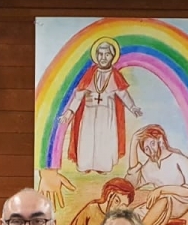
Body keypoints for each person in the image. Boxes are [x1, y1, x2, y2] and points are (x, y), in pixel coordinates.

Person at [61, 38, 143, 174]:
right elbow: (78, 96)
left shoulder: (115, 75)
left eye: (107, 54)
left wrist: (133, 108)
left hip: (107, 115)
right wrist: (68, 113)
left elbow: (123, 95)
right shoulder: (89, 74)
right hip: (89, 113)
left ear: (112, 56)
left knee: (104, 139)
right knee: (87, 139)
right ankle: (85, 165)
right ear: (96, 56)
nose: (103, 57)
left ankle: (103, 167)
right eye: (100, 54)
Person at [127, 125, 188, 225]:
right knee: (134, 214)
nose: (150, 150)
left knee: (164, 200)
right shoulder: (150, 165)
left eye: (152, 144)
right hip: (158, 203)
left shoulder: (180, 159)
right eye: (146, 149)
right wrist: (133, 143)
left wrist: (161, 190)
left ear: (160, 140)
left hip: (180, 201)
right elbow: (131, 184)